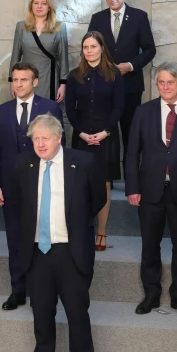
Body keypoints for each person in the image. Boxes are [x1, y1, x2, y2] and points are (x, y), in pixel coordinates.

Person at [10, 114, 105, 352]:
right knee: (41, 310)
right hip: (38, 250)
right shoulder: (23, 164)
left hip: (70, 250)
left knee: (77, 312)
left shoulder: (83, 162)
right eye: (35, 139)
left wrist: (76, 224)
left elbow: (97, 198)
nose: (40, 144)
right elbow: (17, 202)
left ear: (58, 138)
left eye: (45, 138)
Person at [124, 62, 177, 316]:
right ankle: (151, 294)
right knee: (149, 245)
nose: (165, 87)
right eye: (160, 82)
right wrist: (132, 187)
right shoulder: (143, 112)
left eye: (170, 82)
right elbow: (132, 154)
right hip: (150, 191)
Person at [0, 62, 63, 311]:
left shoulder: (50, 108)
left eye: (23, 79)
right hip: (10, 189)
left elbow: (59, 148)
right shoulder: (1, 111)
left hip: (44, 186)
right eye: (15, 79)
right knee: (16, 241)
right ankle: (18, 291)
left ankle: (41, 292)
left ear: (35, 82)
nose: (18, 84)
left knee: (41, 239)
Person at [64, 31, 124, 251]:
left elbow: (119, 106)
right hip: (82, 135)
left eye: (93, 47)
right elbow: (70, 109)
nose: (89, 51)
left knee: (104, 184)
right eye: (85, 47)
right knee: (80, 184)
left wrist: (105, 132)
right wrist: (80, 132)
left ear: (101, 48)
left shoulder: (114, 73)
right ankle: (81, 230)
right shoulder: (74, 75)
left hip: (105, 136)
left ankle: (101, 231)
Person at [87, 0, 156, 168]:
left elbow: (150, 50)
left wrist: (131, 65)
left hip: (130, 86)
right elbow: (90, 49)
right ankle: (106, 177)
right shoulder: (97, 18)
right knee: (105, 132)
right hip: (103, 86)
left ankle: (130, 179)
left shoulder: (139, 17)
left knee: (131, 133)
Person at [10, 0, 69, 103]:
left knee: (47, 113)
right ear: (31, 6)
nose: (39, 6)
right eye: (36, 3)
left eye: (44, 3)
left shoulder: (59, 27)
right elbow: (15, 57)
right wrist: (12, 81)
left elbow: (63, 59)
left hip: (50, 77)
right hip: (25, 78)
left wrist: (63, 84)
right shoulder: (21, 26)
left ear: (49, 7)